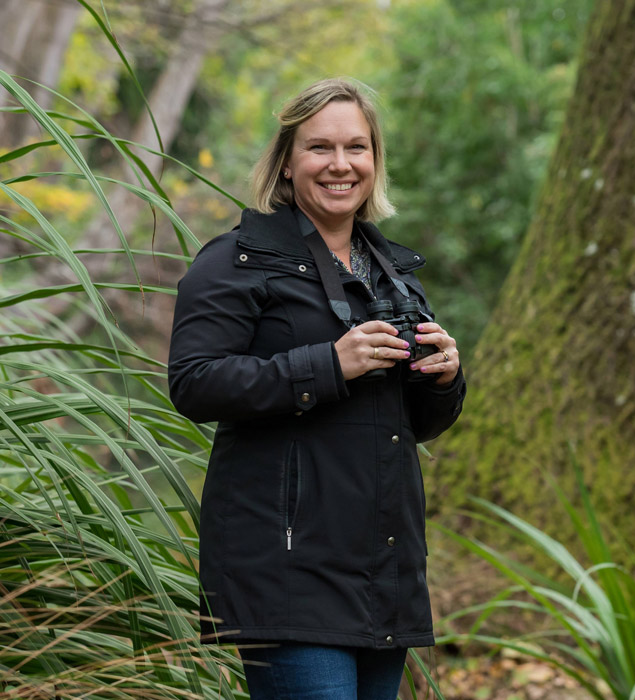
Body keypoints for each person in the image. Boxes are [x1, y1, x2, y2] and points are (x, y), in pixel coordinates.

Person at [167, 78, 466, 700]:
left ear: (375, 160)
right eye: (319, 148)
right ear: (286, 161)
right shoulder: (235, 260)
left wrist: (444, 377)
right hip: (284, 571)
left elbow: (413, 424)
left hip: (384, 571)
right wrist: (328, 364)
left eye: (356, 147)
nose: (340, 165)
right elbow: (193, 383)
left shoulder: (395, 275)